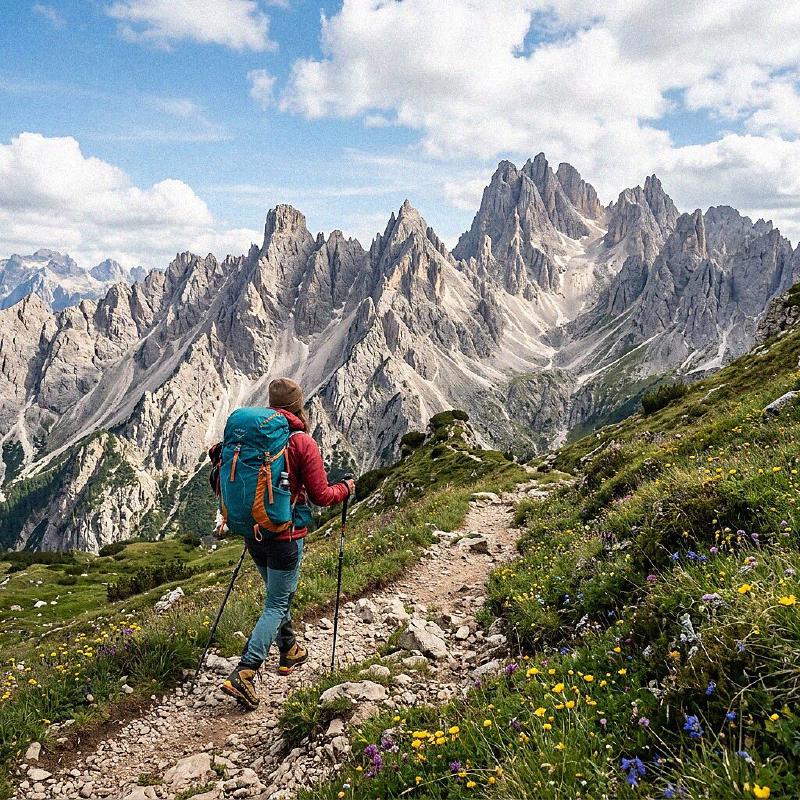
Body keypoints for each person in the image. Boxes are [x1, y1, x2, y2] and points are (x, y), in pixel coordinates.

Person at [221, 378, 355, 710]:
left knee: (277, 597)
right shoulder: (300, 442)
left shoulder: (251, 439)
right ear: (298, 406)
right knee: (276, 604)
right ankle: (246, 671)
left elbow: (216, 458)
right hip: (286, 536)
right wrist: (348, 489)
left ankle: (289, 650)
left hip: (254, 533)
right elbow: (322, 496)